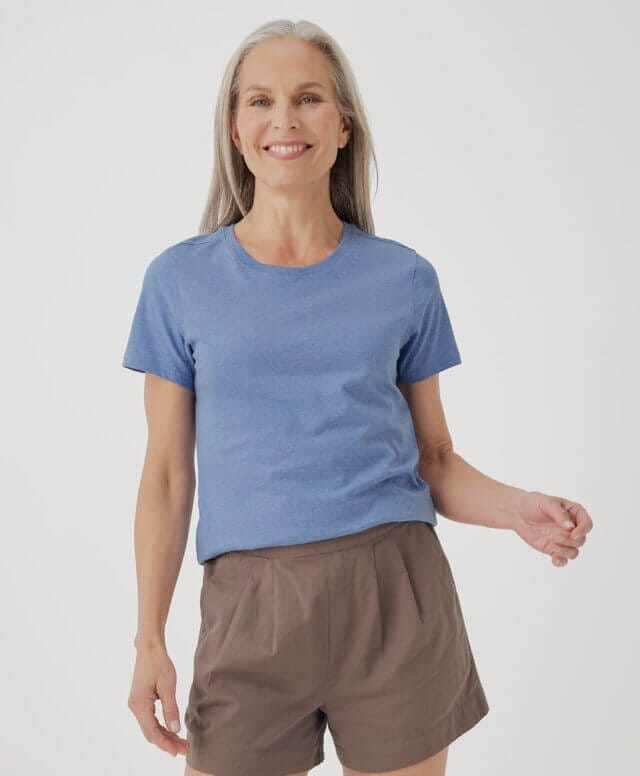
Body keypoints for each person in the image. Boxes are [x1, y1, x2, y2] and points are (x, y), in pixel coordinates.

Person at [121, 19, 593, 776]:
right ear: (235, 131)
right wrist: (149, 639)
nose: (284, 119)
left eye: (308, 98)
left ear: (342, 127)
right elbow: (168, 476)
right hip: (250, 607)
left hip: (394, 596)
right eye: (260, 101)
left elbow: (433, 457)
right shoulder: (179, 283)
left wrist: (518, 510)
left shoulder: (403, 279)